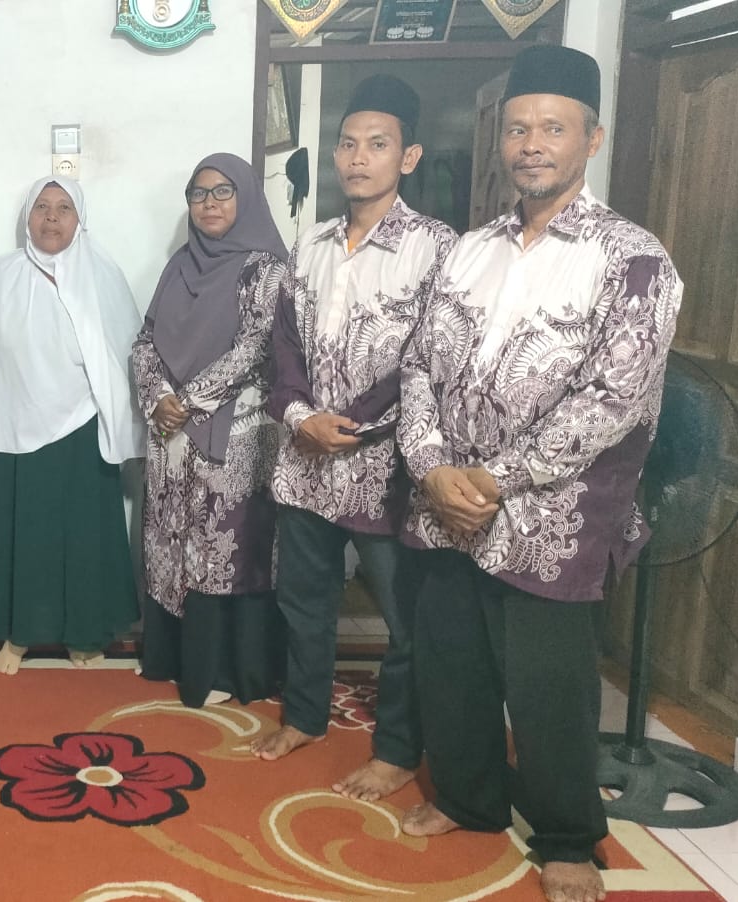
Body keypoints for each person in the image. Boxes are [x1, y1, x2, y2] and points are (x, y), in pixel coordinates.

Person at [396, 45, 681, 902]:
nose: (531, 144)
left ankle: (564, 835)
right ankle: (470, 798)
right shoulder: (469, 249)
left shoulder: (633, 259)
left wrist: (492, 481)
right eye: (518, 128)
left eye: (552, 128)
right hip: (449, 503)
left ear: (591, 139)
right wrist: (433, 467)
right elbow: (418, 365)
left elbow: (613, 400)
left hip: (552, 514)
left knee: (549, 684)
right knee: (452, 660)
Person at [250, 75, 456, 804]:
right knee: (304, 601)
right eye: (348, 144)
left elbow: (430, 357)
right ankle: (305, 716)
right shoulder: (310, 244)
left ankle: (396, 750)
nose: (359, 158)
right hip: (305, 459)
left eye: (378, 144)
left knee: (405, 617)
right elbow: (283, 344)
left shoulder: (438, 249)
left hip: (386, 470)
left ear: (408, 156)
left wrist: (354, 423)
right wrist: (299, 414)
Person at [0, 175, 144, 674]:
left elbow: (129, 352)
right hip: (13, 425)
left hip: (85, 425)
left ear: (79, 219)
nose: (51, 217)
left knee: (84, 534)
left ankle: (84, 632)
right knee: (26, 534)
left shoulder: (103, 274)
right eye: (41, 207)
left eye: (64, 208)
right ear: (27, 216)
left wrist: (129, 427)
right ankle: (18, 635)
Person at [133, 153, 289, 709]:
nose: (210, 203)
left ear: (246, 197)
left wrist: (189, 401)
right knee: (174, 542)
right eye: (198, 194)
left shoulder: (266, 269)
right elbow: (146, 341)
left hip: (236, 433)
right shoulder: (179, 265)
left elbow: (256, 347)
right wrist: (158, 396)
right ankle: (175, 660)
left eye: (223, 191)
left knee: (227, 547)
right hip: (172, 434)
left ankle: (228, 669)